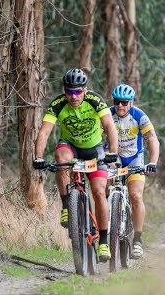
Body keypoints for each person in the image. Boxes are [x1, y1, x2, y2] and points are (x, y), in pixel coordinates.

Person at [33, 68, 118, 263]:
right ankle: (66, 206)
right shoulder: (57, 104)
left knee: (98, 192)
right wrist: (38, 156)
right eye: (69, 91)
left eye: (78, 91)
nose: (73, 96)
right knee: (60, 156)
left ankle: (103, 241)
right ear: (64, 91)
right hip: (70, 146)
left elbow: (109, 126)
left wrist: (112, 152)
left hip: (94, 149)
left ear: (85, 90)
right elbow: (45, 132)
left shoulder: (95, 101)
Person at [109, 84, 160, 260]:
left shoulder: (139, 116)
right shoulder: (108, 115)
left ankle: (137, 239)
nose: (120, 106)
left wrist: (152, 162)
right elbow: (97, 137)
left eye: (124, 102)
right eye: (117, 102)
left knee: (136, 196)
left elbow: (152, 139)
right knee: (100, 190)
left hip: (134, 159)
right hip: (114, 158)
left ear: (131, 102)